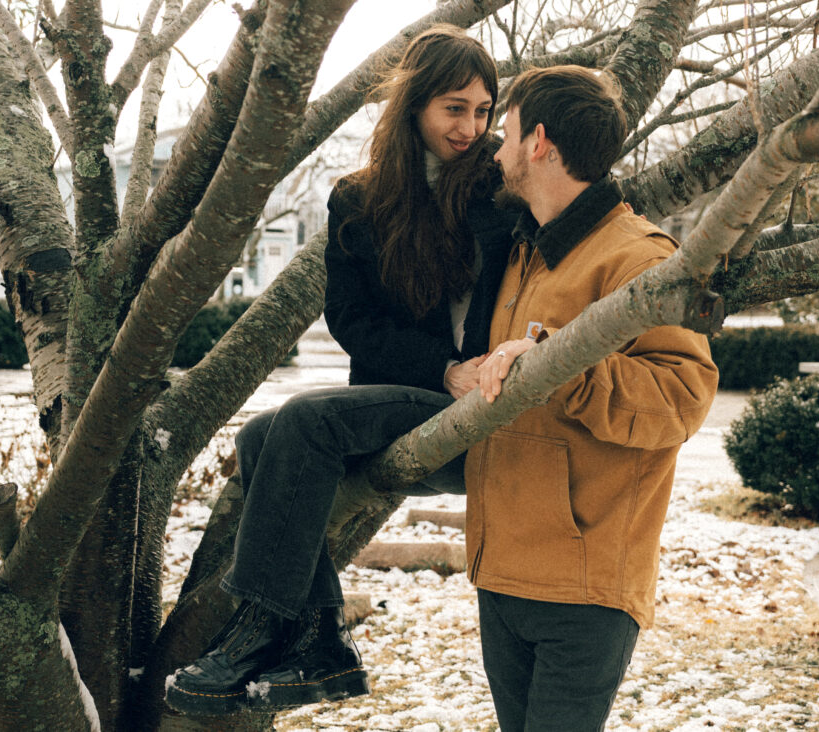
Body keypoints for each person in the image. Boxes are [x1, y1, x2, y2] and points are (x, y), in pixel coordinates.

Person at [164, 25, 517, 717]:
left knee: (300, 422)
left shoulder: (502, 187)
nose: (471, 126)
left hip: (489, 410)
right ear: (414, 104)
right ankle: (320, 638)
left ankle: (263, 633)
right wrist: (445, 370)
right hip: (419, 393)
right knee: (257, 438)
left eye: (483, 109)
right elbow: (353, 322)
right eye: (455, 108)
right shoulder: (358, 198)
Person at [467, 66, 719, 731]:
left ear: (539, 141)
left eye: (507, 132)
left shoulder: (639, 258)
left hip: (584, 584)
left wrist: (560, 365)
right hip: (502, 573)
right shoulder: (523, 251)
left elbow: (683, 395)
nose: (496, 150)